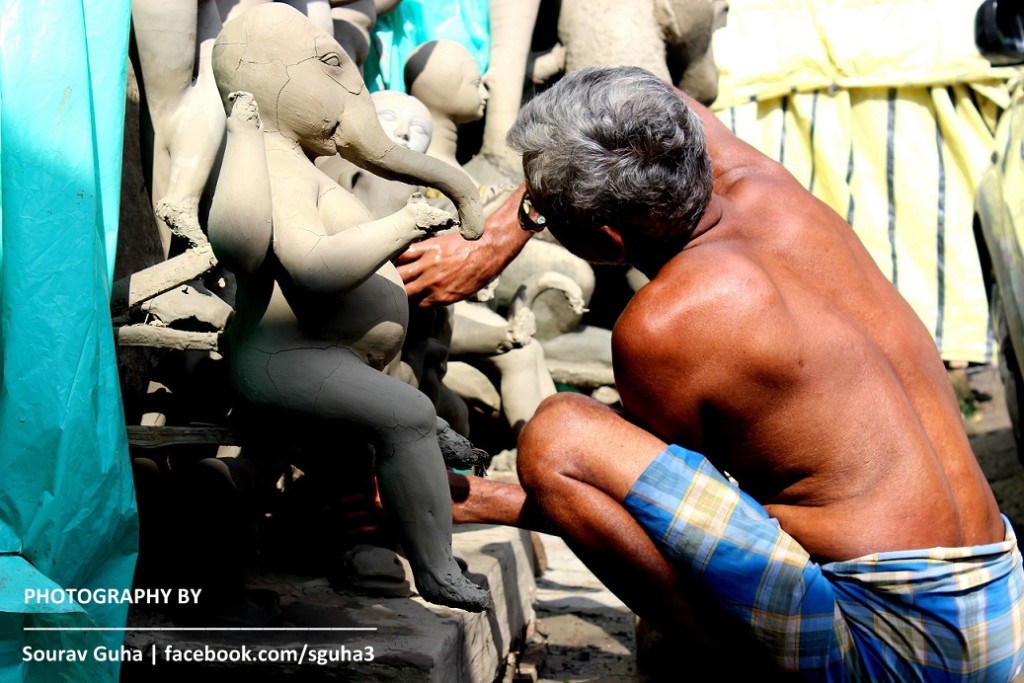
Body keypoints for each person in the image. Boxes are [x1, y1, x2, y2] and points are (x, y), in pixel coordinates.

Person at [440, 66, 1024, 679]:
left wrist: (482, 500)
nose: (534, 218)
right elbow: (658, 94)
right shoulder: (772, 188)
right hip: (1001, 609)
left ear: (607, 238)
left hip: (898, 648)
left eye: (544, 212)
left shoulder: (666, 324)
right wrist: (522, 214)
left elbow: (640, 521)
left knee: (558, 435)